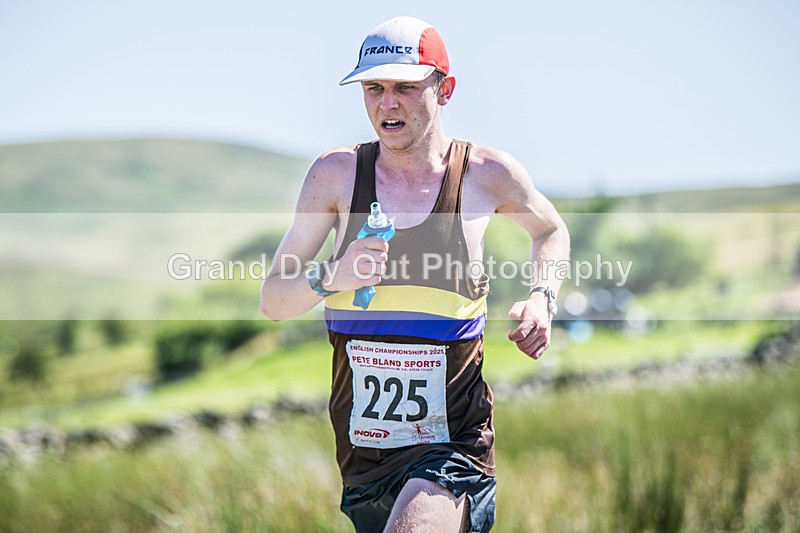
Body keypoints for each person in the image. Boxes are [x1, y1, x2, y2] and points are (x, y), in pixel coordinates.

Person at [260, 15, 569, 533]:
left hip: (452, 450)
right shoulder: (335, 176)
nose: (387, 103)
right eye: (374, 87)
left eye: (405, 87)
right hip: (363, 461)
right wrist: (331, 276)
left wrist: (542, 299)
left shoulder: (486, 175)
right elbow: (273, 300)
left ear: (444, 89)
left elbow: (550, 230)